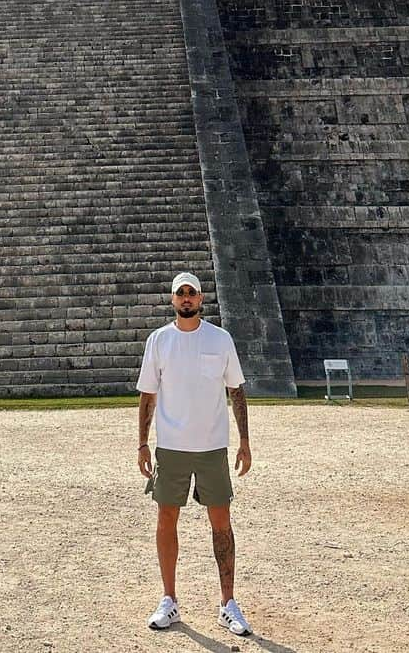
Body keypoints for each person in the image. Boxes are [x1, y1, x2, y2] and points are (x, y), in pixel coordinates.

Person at [136, 271, 252, 636]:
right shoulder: (159, 340)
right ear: (173, 300)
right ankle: (168, 599)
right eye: (180, 293)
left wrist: (245, 442)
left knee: (221, 522)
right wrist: (141, 442)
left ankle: (228, 603)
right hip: (171, 447)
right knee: (166, 518)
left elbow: (236, 391)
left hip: (211, 446)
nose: (186, 298)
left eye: (192, 293)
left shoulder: (220, 339)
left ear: (202, 299)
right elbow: (147, 396)